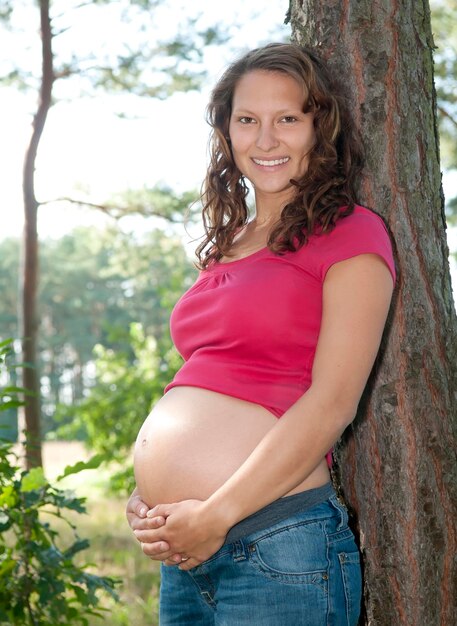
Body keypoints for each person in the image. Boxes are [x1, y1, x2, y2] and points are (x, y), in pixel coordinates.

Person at [126, 42, 396, 625]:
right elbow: (204, 378)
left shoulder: (351, 232)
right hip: (186, 552)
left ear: (319, 127)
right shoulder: (228, 243)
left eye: (288, 120)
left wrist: (217, 512)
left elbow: (332, 403)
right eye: (247, 120)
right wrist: (149, 494)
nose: (266, 140)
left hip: (278, 542)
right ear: (226, 132)